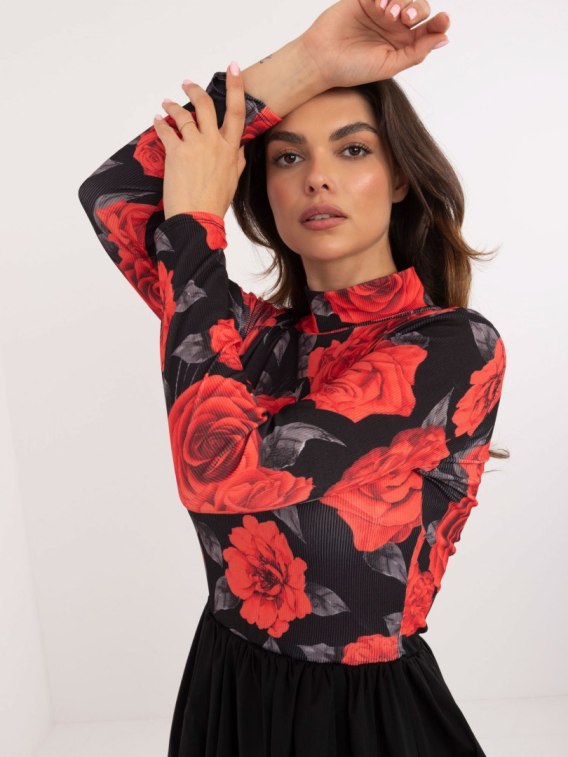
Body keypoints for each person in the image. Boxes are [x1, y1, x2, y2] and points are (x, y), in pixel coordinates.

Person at [78, 1, 508, 754]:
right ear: (262, 186)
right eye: (286, 157)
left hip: (360, 719)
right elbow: (114, 195)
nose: (317, 179)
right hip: (224, 687)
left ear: (398, 178)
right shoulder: (250, 337)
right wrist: (310, 60)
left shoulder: (454, 348)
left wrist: (195, 225)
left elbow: (224, 477)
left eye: (352, 150)